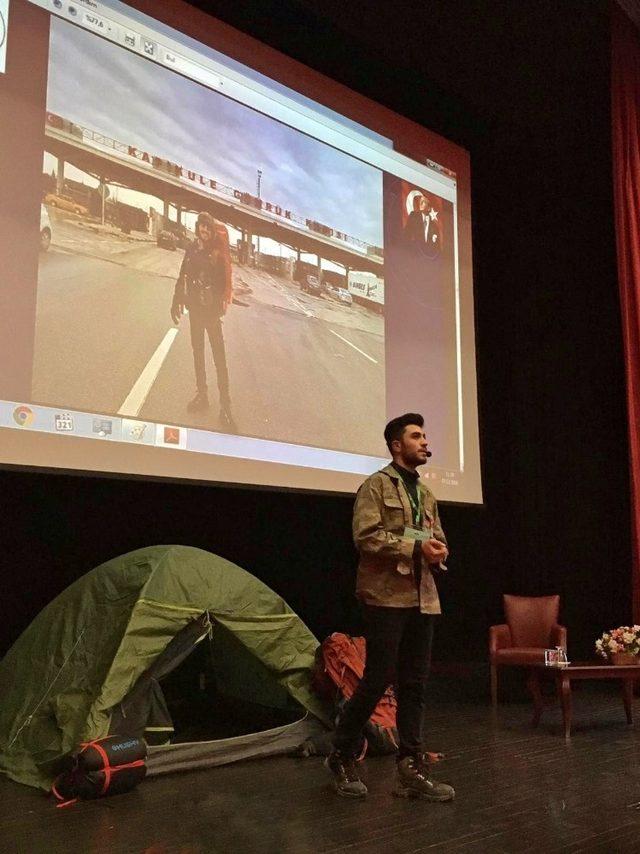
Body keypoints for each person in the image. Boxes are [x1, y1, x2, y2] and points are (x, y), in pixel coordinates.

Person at [326, 413, 455, 802]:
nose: (424, 441)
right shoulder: (375, 486)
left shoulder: (427, 494)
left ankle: (412, 768)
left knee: (415, 683)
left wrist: (438, 551)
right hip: (385, 596)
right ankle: (342, 754)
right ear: (397, 445)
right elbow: (365, 537)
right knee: (378, 677)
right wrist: (415, 546)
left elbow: (438, 537)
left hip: (422, 597)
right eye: (416, 436)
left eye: (425, 435)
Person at [171, 212, 234, 426]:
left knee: (219, 360)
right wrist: (176, 300)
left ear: (212, 229)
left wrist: (217, 298)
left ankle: (225, 406)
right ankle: (202, 395)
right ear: (197, 227)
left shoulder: (217, 252)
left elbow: (225, 281)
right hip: (195, 311)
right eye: (201, 227)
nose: (204, 230)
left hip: (212, 314)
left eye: (207, 227)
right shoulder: (191, 249)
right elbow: (183, 276)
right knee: (198, 353)